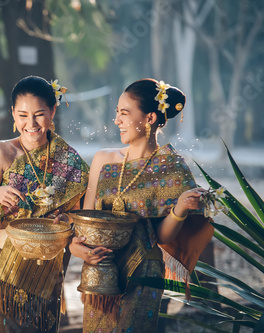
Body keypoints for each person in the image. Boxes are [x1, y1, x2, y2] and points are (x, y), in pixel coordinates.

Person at [70, 78, 214, 332]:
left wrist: (179, 208)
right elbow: (86, 219)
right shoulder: (103, 160)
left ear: (149, 118)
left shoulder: (171, 167)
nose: (117, 121)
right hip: (100, 268)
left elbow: (161, 236)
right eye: (117, 113)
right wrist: (76, 247)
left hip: (144, 270)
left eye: (124, 113)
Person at [0, 76, 90, 332]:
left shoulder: (69, 159)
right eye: (22, 115)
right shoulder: (1, 151)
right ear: (13, 115)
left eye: (39, 114)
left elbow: (80, 216)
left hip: (47, 268)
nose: (31, 123)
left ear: (53, 111)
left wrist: (68, 222)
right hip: (5, 264)